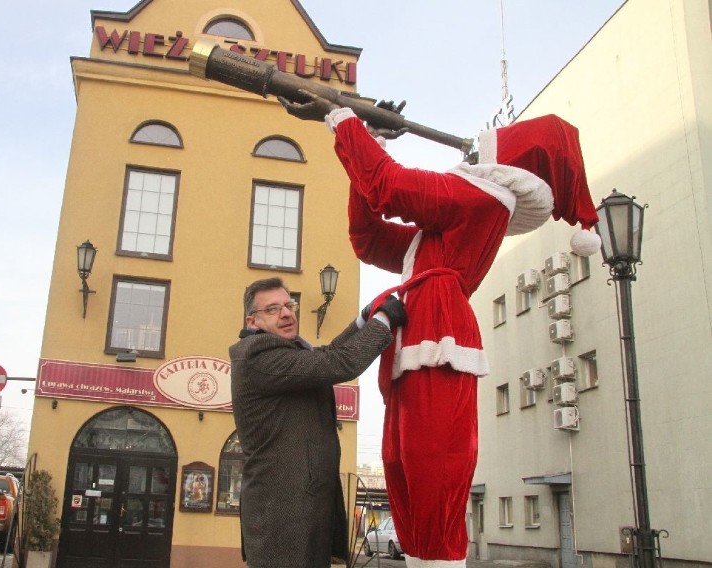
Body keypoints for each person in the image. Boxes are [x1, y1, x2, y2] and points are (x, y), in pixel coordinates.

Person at [279, 94, 602, 568]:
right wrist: (365, 137)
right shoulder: (440, 235)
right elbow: (367, 237)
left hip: (437, 338)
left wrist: (343, 121)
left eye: (486, 146)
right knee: (402, 464)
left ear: (506, 161)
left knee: (432, 468)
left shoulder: (483, 196)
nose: (472, 151)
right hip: (421, 336)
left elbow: (389, 186)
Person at [230, 277, 407, 568]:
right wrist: (384, 320)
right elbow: (338, 363)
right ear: (253, 322)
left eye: (289, 304)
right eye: (273, 309)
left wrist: (364, 319)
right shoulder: (258, 356)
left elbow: (326, 354)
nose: (286, 313)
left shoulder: (285, 352)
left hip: (298, 506)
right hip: (282, 512)